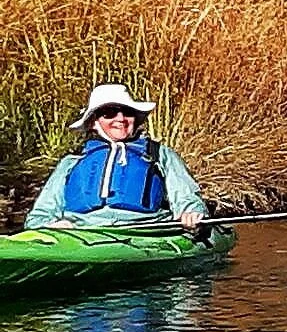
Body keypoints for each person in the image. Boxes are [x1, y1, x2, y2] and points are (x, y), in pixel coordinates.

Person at [25, 82, 208, 232]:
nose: (120, 119)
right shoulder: (72, 162)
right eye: (109, 112)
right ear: (94, 122)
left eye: (127, 112)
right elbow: (39, 217)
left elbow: (187, 199)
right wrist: (50, 226)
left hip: (145, 231)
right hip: (80, 232)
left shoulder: (160, 155)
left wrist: (191, 214)